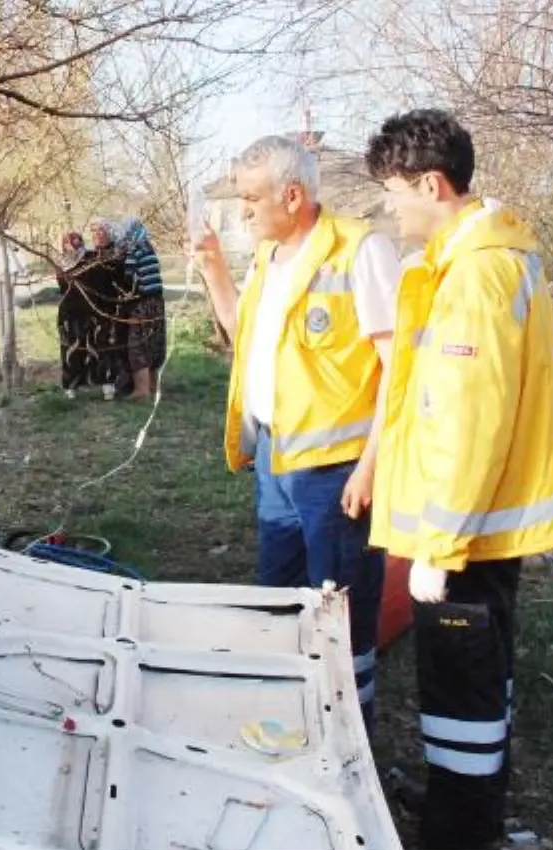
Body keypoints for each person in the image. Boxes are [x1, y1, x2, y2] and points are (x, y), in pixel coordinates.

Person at [365, 109, 553, 850]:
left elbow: (468, 423)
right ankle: (464, 801)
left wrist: (439, 548)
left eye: (394, 190)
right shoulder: (483, 258)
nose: (391, 205)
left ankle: (460, 831)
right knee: (480, 683)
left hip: (467, 536)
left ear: (431, 182)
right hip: (483, 525)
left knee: (462, 691)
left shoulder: (477, 275)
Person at [192, 134, 401, 728]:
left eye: (252, 198)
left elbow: (398, 370)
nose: (243, 211)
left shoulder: (361, 252)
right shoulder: (267, 257)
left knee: (339, 607)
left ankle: (348, 734)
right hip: (275, 460)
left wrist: (371, 465)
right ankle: (286, 713)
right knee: (278, 595)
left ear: (292, 194)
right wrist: (212, 268)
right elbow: (244, 337)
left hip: (337, 470)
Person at [55, 231, 128, 400]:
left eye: (76, 240)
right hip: (71, 313)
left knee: (102, 348)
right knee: (72, 350)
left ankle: (107, 386)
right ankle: (71, 387)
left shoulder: (93, 258)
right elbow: (64, 290)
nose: (73, 244)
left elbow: (111, 278)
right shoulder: (62, 264)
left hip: (97, 311)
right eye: (69, 242)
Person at [119, 218, 167, 401]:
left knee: (137, 346)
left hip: (143, 304)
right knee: (154, 343)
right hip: (157, 301)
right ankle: (153, 385)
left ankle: (141, 389)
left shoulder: (134, 250)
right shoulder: (148, 247)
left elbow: (129, 280)